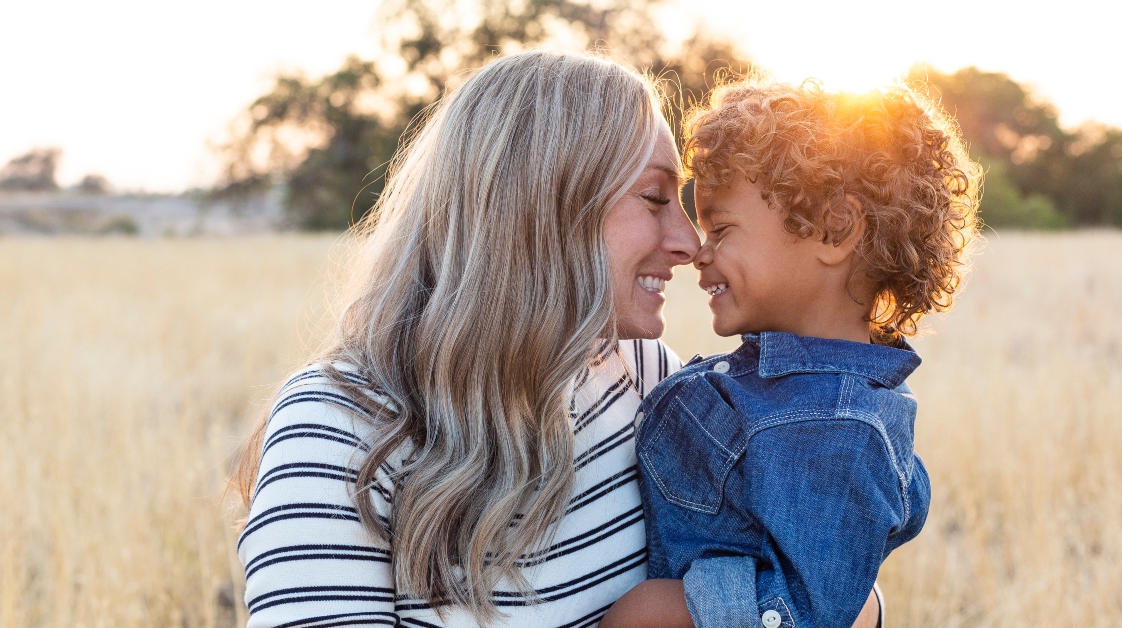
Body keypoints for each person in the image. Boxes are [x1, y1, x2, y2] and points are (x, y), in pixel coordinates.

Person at [230, 49, 701, 628]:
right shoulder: (339, 429)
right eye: (655, 199)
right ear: (538, 207)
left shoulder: (649, 380)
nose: (690, 242)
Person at [601, 80, 981, 628]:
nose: (699, 253)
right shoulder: (787, 390)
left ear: (835, 229)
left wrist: (652, 611)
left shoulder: (839, 428)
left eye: (721, 228)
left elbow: (803, 613)